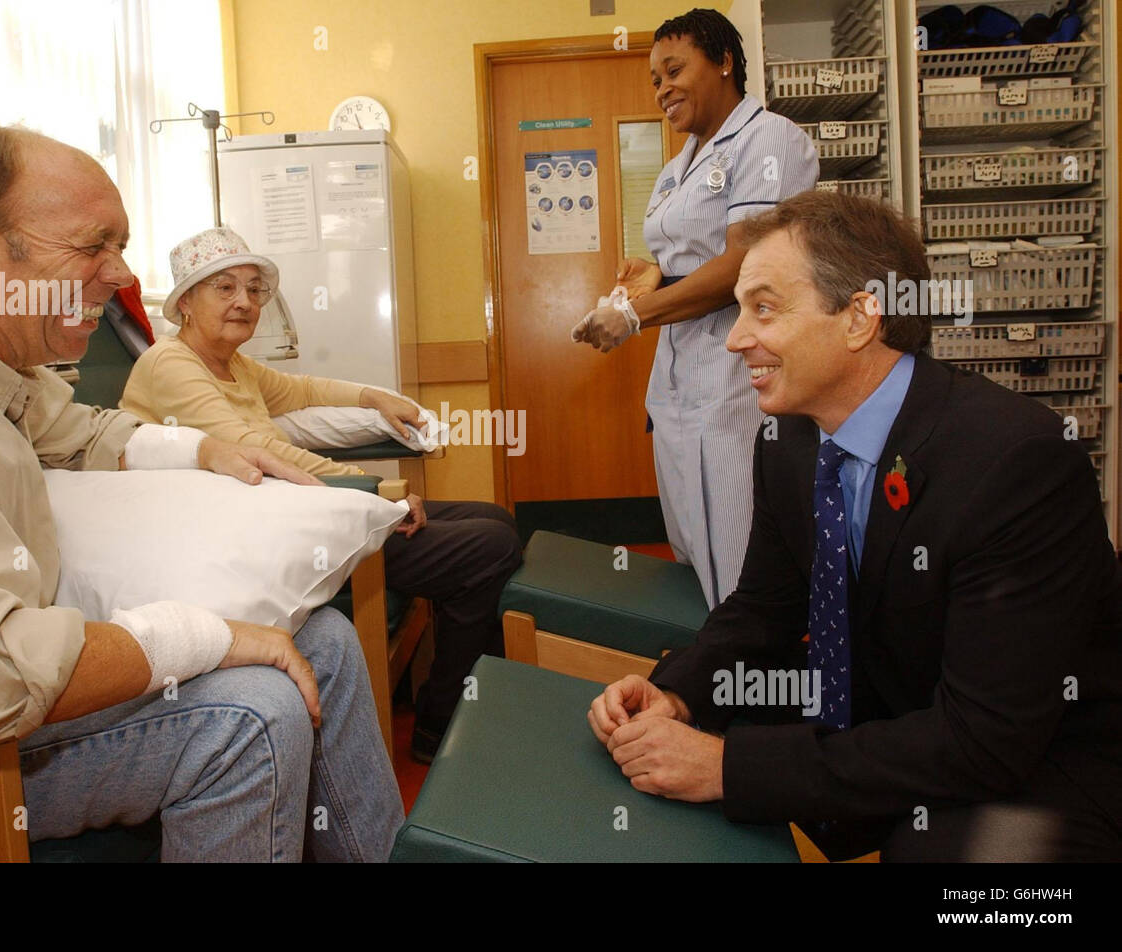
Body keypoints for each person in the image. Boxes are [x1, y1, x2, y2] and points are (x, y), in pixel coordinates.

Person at [0, 124, 403, 862]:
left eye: (121, 247)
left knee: (320, 637)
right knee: (253, 712)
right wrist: (204, 635)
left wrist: (204, 448)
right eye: (92, 246)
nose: (118, 275)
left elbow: (77, 431)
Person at [588, 190, 1122, 862]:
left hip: (1046, 759)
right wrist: (679, 692)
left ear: (860, 317)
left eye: (764, 308)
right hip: (901, 717)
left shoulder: (1016, 463)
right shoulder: (787, 440)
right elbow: (761, 612)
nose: (734, 338)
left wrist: (729, 770)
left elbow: (984, 740)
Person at [120, 227, 523, 762]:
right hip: (249, 540)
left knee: (493, 518)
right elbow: (253, 446)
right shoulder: (170, 364)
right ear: (185, 303)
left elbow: (302, 389)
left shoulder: (232, 364)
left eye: (253, 289)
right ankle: (441, 722)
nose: (245, 301)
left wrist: (374, 396)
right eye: (224, 288)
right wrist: (376, 490)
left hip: (289, 509)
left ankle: (469, 692)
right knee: (486, 550)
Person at [573, 9, 818, 609]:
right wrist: (651, 274)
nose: (662, 89)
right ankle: (701, 671)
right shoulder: (676, 168)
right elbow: (690, 253)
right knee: (688, 540)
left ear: (725, 61)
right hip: (682, 369)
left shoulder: (767, 140)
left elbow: (744, 262)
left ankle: (740, 684)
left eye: (674, 70)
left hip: (740, 369)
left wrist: (637, 314)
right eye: (655, 79)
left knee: (733, 546)